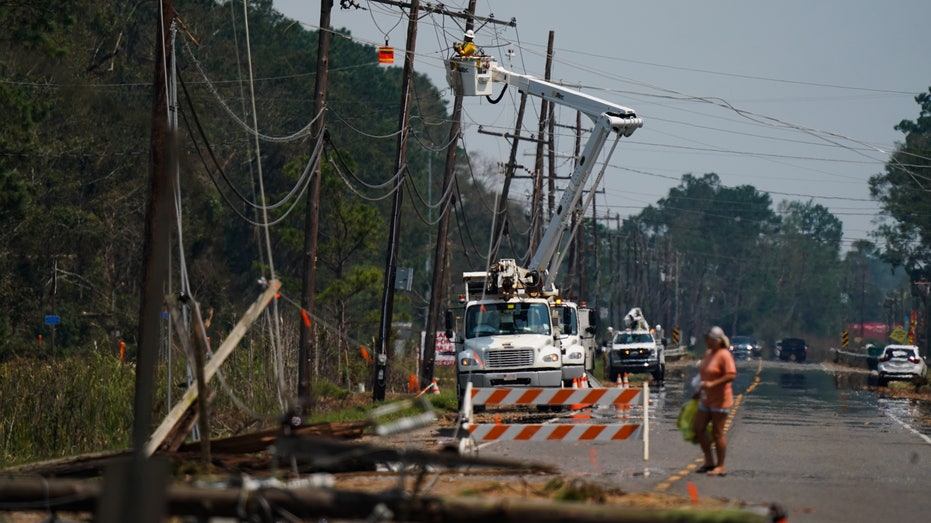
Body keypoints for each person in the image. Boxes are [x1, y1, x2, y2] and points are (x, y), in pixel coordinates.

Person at [693, 325, 737, 476]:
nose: (707, 342)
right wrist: (699, 391)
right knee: (698, 428)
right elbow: (703, 375)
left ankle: (721, 466)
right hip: (706, 399)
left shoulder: (724, 355)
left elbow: (731, 375)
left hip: (720, 400)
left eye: (710, 340)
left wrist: (712, 384)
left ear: (717, 341)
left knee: (718, 433)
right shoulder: (709, 353)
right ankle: (709, 461)